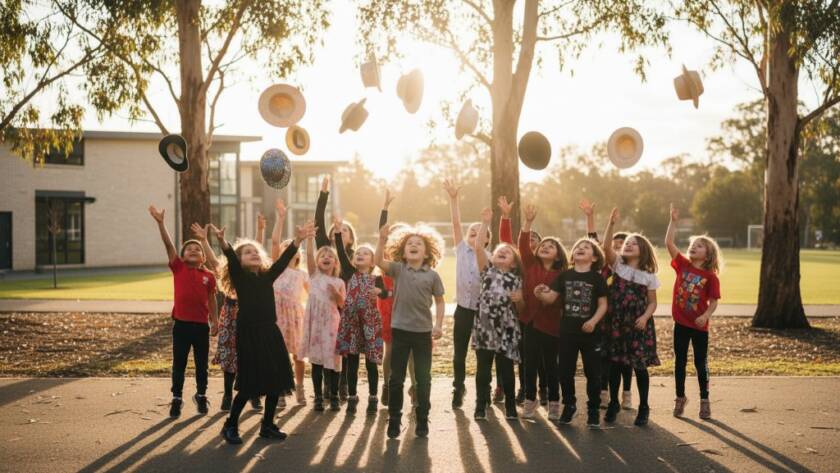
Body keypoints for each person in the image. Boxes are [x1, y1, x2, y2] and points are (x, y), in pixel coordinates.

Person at [213, 220, 313, 444]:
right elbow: (230, 258)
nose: (253, 254)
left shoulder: (268, 277)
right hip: (249, 335)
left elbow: (284, 260)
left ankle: (267, 426)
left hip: (270, 331)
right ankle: (230, 425)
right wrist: (223, 243)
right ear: (240, 261)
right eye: (247, 252)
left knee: (275, 380)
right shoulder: (241, 277)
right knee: (250, 384)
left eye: (255, 251)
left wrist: (297, 240)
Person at [375, 222, 446, 438]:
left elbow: (440, 302)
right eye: (409, 244)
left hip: (423, 333)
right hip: (400, 331)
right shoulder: (398, 269)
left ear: (427, 253)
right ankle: (394, 419)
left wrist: (438, 325)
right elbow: (378, 261)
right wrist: (381, 239)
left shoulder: (432, 276)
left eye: (418, 244)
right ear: (403, 253)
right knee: (396, 379)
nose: (413, 245)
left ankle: (422, 419)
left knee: (423, 379)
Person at [148, 206, 218, 418]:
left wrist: (214, 319)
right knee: (179, 363)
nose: (194, 251)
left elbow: (212, 298)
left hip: (201, 327)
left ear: (203, 257)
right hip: (182, 326)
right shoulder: (178, 268)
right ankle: (177, 397)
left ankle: (201, 394)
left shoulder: (209, 275)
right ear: (182, 255)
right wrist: (161, 223)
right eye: (189, 249)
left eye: (197, 249)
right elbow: (168, 245)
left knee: (201, 365)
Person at [536, 237, 608, 428]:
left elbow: (603, 304)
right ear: (572, 255)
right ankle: (569, 404)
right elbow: (550, 298)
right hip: (567, 332)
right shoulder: (565, 276)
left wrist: (593, 321)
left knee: (593, 373)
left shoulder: (596, 278)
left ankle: (593, 409)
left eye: (586, 247)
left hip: (591, 334)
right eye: (577, 247)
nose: (580, 248)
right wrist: (539, 292)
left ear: (593, 258)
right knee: (564, 371)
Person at [601, 208, 660, 426]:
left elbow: (653, 302)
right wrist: (611, 224)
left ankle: (644, 406)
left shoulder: (649, 275)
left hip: (638, 324)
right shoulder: (618, 266)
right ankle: (614, 403)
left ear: (643, 250)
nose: (628, 244)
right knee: (615, 365)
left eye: (634, 242)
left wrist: (645, 317)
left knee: (640, 367)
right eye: (627, 243)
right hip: (616, 322)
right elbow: (606, 247)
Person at [666, 204, 722, 420]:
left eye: (699, 246)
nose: (693, 247)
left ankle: (704, 399)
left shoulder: (710, 277)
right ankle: (680, 398)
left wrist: (705, 315)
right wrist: (673, 222)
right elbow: (669, 243)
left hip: (699, 327)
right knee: (679, 362)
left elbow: (714, 302)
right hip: (680, 324)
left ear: (708, 254)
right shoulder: (682, 265)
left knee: (700, 363)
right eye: (692, 245)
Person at [471, 208, 524, 421]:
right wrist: (485, 223)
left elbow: (520, 310)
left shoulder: (517, 279)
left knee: (506, 369)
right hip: (485, 326)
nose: (502, 251)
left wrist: (519, 299)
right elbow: (477, 247)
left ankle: (510, 406)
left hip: (507, 328)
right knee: (483, 368)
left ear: (514, 262)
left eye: (507, 251)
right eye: (499, 250)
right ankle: (480, 404)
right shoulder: (488, 271)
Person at [579, 198, 633, 409]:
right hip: (600, 317)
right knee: (602, 355)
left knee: (623, 357)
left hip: (621, 318)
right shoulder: (600, 267)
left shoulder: (629, 270)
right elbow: (593, 240)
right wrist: (590, 217)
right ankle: (602, 392)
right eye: (614, 245)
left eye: (623, 245)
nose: (617, 248)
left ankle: (626, 392)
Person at [443, 178, 490, 409]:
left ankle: (484, 391)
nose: (474, 236)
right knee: (459, 353)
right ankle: (458, 387)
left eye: (479, 233)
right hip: (462, 310)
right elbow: (455, 223)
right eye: (471, 233)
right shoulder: (461, 250)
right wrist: (454, 199)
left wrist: (485, 222)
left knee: (482, 355)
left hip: (483, 313)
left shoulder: (489, 257)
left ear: (486, 239)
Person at [517, 204, 567, 420]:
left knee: (550, 366)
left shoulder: (562, 274)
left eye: (551, 246)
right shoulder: (530, 265)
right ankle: (530, 399)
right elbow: (522, 244)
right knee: (529, 364)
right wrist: (527, 223)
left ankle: (555, 401)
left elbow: (561, 300)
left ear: (558, 256)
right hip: (529, 323)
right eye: (543, 244)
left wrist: (548, 296)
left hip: (551, 325)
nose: (545, 247)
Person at [333, 214, 385, 416]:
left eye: (366, 253)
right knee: (352, 362)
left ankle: (373, 397)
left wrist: (381, 293)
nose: (361, 255)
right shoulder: (348, 272)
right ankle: (353, 397)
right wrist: (338, 232)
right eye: (358, 253)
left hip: (371, 324)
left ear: (373, 261)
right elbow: (340, 251)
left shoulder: (377, 279)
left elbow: (388, 294)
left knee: (371, 363)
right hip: (353, 324)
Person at [376, 191, 418, 408]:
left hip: (409, 307)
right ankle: (388, 385)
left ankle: (416, 387)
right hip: (389, 306)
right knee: (390, 349)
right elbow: (381, 232)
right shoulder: (386, 260)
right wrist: (385, 207)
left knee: (411, 350)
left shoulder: (412, 257)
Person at [300, 233, 346, 412]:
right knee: (317, 362)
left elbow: (343, 304)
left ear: (335, 263)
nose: (326, 258)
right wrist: (310, 238)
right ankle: (318, 397)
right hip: (316, 326)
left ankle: (334, 395)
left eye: (330, 256)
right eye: (323, 256)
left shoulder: (339, 281)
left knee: (334, 360)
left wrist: (336, 294)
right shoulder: (314, 276)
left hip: (332, 325)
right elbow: (310, 256)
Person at [271, 199, 309, 406]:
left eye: (292, 247)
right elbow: (275, 242)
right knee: (279, 355)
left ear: (298, 253)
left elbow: (313, 295)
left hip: (296, 317)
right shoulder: (277, 269)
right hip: (277, 316)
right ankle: (280, 390)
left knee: (298, 356)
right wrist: (281, 218)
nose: (288, 249)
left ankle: (300, 386)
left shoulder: (301, 274)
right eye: (286, 247)